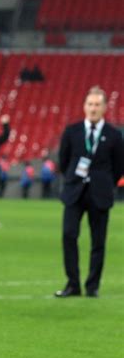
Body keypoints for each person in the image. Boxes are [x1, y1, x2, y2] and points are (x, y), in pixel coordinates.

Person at [55, 86, 124, 298]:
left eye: (97, 104)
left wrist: (104, 183)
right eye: (90, 104)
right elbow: (63, 161)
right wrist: (73, 179)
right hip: (75, 191)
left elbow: (119, 166)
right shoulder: (72, 131)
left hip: (100, 193)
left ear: (104, 107)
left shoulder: (114, 135)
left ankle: (92, 286)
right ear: (84, 106)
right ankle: (73, 284)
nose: (93, 108)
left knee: (98, 241)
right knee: (68, 235)